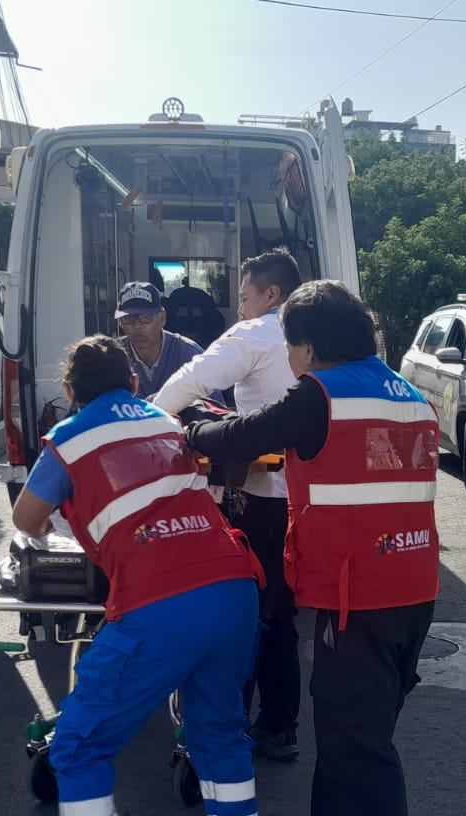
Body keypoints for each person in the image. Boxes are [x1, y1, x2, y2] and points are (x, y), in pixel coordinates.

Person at [183, 280, 438, 816]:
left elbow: (242, 435)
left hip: (360, 592)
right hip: (410, 583)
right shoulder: (404, 391)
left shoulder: (321, 394)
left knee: (359, 740)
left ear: (308, 346)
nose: (291, 360)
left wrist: (190, 427)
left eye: (292, 347)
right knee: (349, 725)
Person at [8, 336, 270, 816]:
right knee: (218, 730)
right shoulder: (164, 421)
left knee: (79, 745)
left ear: (70, 390)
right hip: (233, 587)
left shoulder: (69, 437)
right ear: (131, 383)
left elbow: (26, 519)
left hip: (161, 602)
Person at [156, 250, 305, 762]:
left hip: (261, 499)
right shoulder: (318, 337)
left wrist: (143, 425)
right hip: (308, 501)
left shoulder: (256, 333)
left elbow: (189, 381)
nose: (240, 309)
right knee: (282, 615)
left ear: (271, 295)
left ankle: (229, 722)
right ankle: (279, 726)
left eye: (244, 297)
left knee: (244, 615)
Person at [113, 281, 202, 400]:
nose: (137, 325)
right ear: (120, 323)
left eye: (146, 317)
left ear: (162, 318)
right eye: (128, 318)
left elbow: (214, 407)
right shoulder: (112, 357)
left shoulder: (190, 354)